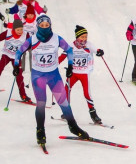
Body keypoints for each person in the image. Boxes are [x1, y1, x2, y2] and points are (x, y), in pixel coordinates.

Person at [14, 15, 89, 145]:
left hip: (53, 75)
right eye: (41, 26)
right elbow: (18, 52)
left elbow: (69, 50)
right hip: (38, 76)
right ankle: (40, 131)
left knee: (63, 102)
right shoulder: (32, 40)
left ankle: (73, 127)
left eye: (46, 25)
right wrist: (16, 66)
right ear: (37, 26)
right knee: (41, 103)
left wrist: (70, 65)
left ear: (50, 25)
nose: (44, 28)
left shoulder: (56, 38)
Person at [59, 25, 104, 124]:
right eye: (82, 37)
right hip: (73, 73)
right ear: (77, 37)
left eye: (86, 36)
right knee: (66, 90)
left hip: (84, 73)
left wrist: (100, 52)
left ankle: (93, 114)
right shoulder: (70, 46)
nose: (84, 39)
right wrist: (53, 64)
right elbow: (62, 56)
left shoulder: (89, 45)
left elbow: (96, 50)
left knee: (87, 94)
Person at [0, 19, 31, 101]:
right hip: (6, 55)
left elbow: (30, 43)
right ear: (14, 29)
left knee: (19, 75)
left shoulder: (25, 35)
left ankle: (23, 95)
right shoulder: (8, 32)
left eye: (21, 29)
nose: (20, 31)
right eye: (18, 30)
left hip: (16, 58)